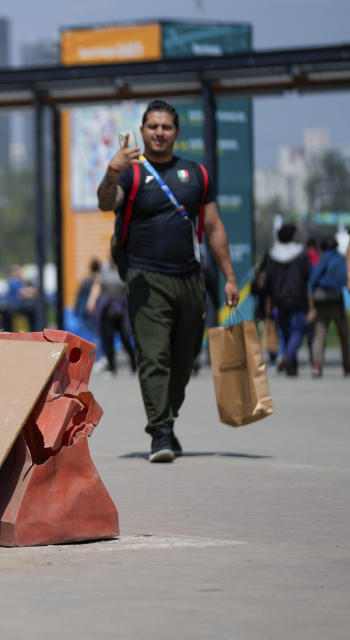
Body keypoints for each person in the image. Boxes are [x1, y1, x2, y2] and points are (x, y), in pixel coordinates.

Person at [96, 99, 239, 463]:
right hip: (146, 278)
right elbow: (106, 202)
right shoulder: (131, 172)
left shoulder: (197, 174)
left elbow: (213, 226)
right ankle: (159, 431)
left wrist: (229, 278)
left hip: (191, 278)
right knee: (154, 355)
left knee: (185, 358)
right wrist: (112, 171)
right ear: (142, 131)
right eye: (152, 126)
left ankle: (167, 417)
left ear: (176, 132)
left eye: (166, 127)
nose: (159, 132)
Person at [265, 223, 314, 377]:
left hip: (279, 298)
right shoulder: (301, 254)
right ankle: (288, 357)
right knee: (298, 330)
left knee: (286, 332)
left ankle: (292, 367)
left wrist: (269, 301)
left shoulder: (272, 255)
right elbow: (308, 277)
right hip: (298, 297)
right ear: (293, 237)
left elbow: (269, 280)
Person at [307, 234, 350, 377]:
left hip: (321, 302)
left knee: (320, 335)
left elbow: (311, 283)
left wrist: (311, 307)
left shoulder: (321, 260)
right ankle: (346, 365)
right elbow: (345, 279)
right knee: (343, 334)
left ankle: (316, 366)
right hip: (337, 300)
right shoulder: (341, 259)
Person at [85, 257, 136, 376]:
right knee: (108, 338)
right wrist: (91, 301)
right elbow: (97, 286)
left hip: (123, 309)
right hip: (108, 309)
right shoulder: (104, 269)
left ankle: (134, 364)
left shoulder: (126, 268)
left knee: (125, 338)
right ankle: (112, 367)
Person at [0, 264, 39, 332]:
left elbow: (31, 292)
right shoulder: (12, 281)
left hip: (20, 306)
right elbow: (23, 293)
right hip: (13, 306)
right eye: (18, 271)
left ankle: (34, 331)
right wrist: (30, 291)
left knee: (33, 311)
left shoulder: (22, 282)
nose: (20, 272)